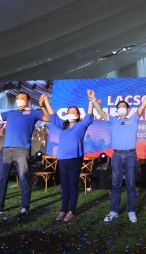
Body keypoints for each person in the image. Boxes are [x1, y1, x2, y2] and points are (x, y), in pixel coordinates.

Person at [88, 82, 146, 223]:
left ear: (128, 109)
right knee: (115, 184)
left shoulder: (133, 118)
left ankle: (131, 211)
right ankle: (114, 211)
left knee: (131, 184)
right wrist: (93, 99)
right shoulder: (113, 120)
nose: (121, 109)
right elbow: (100, 112)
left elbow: (142, 106)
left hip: (131, 154)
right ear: (117, 110)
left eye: (123, 107)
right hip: (117, 155)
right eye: (119, 107)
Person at [0, 92, 50, 217]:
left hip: (22, 151)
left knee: (24, 179)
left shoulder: (33, 113)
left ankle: (24, 208)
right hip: (6, 150)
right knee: (1, 179)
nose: (19, 100)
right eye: (18, 99)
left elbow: (48, 118)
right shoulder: (11, 113)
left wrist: (43, 106)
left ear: (28, 101)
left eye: (22, 99)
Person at [42, 93, 94, 222]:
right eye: (69, 111)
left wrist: (91, 100)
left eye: (74, 112)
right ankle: (63, 209)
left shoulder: (81, 125)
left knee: (73, 185)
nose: (71, 113)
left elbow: (89, 116)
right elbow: (52, 115)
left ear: (77, 115)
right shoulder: (63, 126)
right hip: (62, 159)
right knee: (64, 186)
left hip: (75, 159)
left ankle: (71, 210)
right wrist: (47, 102)